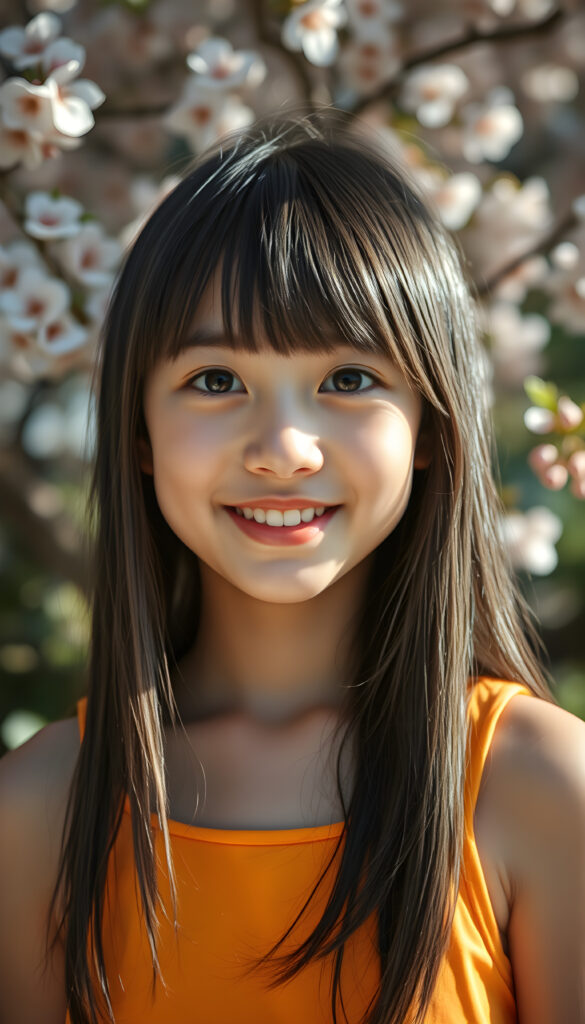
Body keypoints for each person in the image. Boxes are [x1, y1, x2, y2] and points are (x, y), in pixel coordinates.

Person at [1, 112, 584, 1024]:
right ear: (140, 434)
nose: (281, 449)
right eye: (215, 380)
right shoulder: (40, 809)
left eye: (348, 379)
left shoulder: (540, 786)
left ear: (431, 427)